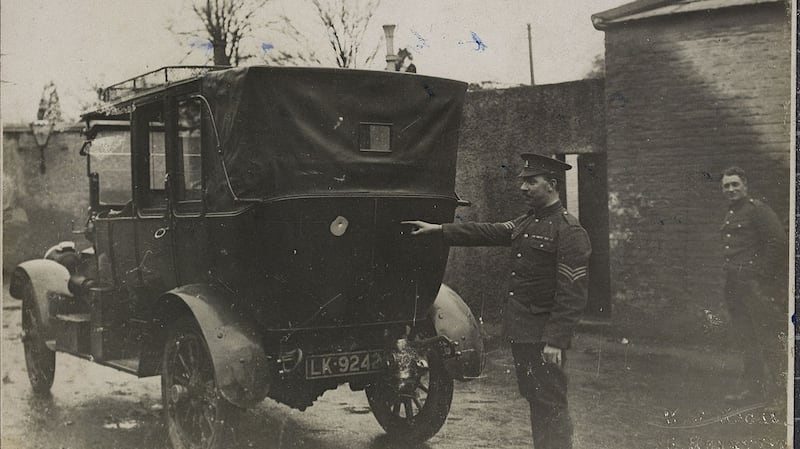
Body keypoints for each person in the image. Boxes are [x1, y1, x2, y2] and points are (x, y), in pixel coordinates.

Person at [403, 153, 591, 449]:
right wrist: (439, 230)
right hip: (524, 333)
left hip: (544, 336)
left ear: (552, 185)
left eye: (532, 181)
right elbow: (488, 231)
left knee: (550, 403)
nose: (523, 188)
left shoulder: (568, 231)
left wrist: (556, 340)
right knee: (536, 398)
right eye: (523, 182)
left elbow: (573, 293)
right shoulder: (527, 222)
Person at [719, 166, 788, 409]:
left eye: (735, 184)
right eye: (726, 186)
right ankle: (753, 389)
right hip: (734, 286)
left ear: (745, 185)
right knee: (747, 338)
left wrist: (759, 274)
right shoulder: (730, 213)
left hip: (753, 286)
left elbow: (777, 243)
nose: (731, 189)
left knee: (767, 337)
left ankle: (783, 395)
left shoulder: (758, 211)